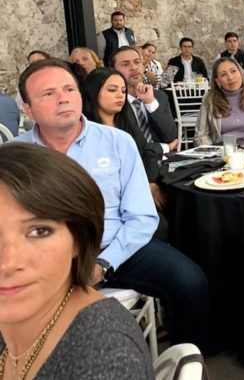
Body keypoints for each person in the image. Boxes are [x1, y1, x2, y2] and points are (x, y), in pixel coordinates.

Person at [15, 59, 209, 351]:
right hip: (45, 255)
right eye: (48, 93)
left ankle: (185, 361)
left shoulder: (117, 142)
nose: (63, 98)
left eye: (69, 89)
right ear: (28, 109)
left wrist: (103, 264)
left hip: (115, 245)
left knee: (190, 282)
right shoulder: (15, 156)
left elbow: (141, 216)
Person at [0, 143, 154, 379]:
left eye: (39, 231)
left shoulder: (104, 359)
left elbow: (141, 219)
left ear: (78, 239)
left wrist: (104, 264)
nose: (8, 262)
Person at [82, 68, 164, 205]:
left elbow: (146, 151)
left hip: (138, 189)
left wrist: (151, 182)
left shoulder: (126, 120)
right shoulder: (85, 130)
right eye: (112, 90)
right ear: (93, 91)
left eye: (123, 91)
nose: (120, 95)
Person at [111, 46, 178, 153]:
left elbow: (171, 137)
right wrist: (165, 147)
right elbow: (128, 146)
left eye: (137, 62)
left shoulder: (159, 96)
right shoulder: (114, 103)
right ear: (114, 71)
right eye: (125, 64)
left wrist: (150, 102)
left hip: (165, 159)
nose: (134, 67)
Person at [195, 58, 244, 146]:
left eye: (233, 71)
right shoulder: (209, 100)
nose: (230, 77)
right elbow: (201, 135)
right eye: (223, 74)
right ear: (217, 81)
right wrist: (212, 151)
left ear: (241, 73)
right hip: (223, 150)